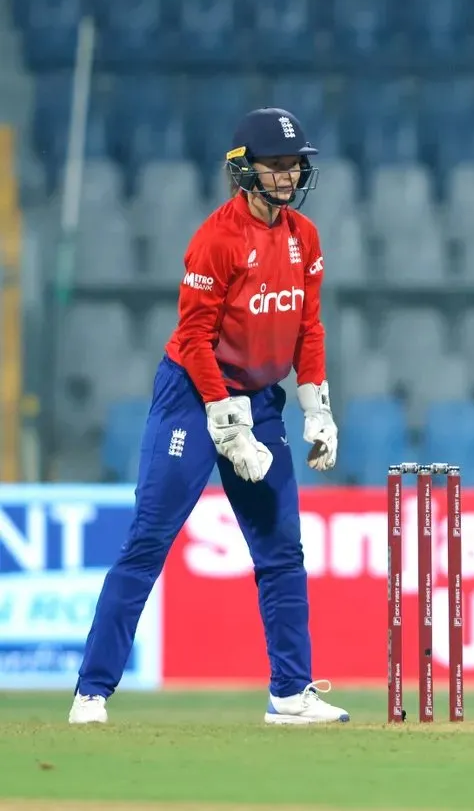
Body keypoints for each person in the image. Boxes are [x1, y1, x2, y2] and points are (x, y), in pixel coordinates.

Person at [69, 108, 347, 725]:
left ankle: (291, 693)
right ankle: (92, 691)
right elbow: (195, 339)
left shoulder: (305, 237)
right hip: (194, 398)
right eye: (276, 165)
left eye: (294, 164)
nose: (289, 174)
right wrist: (227, 425)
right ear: (245, 170)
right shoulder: (217, 239)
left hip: (263, 397)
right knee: (148, 542)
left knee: (282, 552)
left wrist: (317, 410)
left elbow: (308, 326)